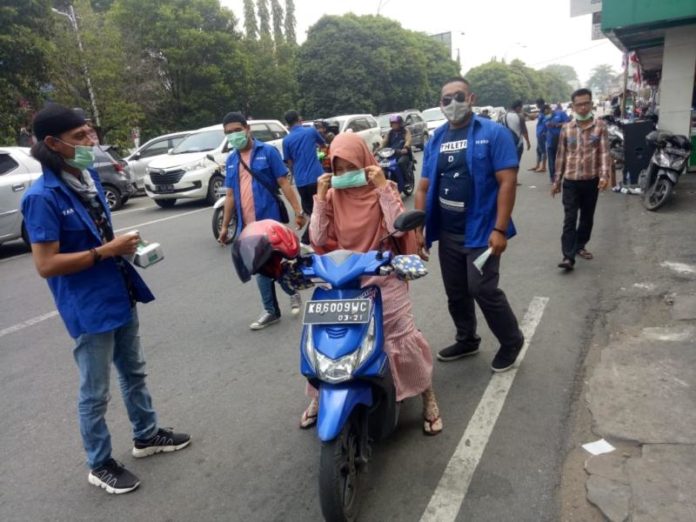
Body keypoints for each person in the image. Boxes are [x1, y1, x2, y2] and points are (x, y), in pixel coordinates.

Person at [20, 103, 190, 495]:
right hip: (87, 305)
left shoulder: (89, 179)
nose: (90, 142)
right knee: (94, 391)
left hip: (118, 290)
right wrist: (106, 252)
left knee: (134, 372)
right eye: (79, 137)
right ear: (52, 143)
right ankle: (99, 463)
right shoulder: (42, 197)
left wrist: (124, 247)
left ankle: (146, 436)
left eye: (90, 133)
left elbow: (101, 237)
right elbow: (46, 264)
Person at [302, 132, 443, 435]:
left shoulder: (385, 188)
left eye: (348, 167)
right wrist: (319, 196)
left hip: (383, 272)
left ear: (364, 163)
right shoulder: (330, 196)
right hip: (343, 275)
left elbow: (398, 226)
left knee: (399, 336)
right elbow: (318, 238)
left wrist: (381, 187)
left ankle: (427, 395)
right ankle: (320, 394)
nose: (342, 175)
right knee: (324, 337)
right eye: (336, 169)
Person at [415, 77, 525, 373]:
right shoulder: (436, 139)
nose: (452, 104)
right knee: (456, 292)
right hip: (448, 232)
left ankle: (511, 340)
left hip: (481, 232)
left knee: (482, 289)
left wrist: (500, 229)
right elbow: (423, 187)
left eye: (458, 96)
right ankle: (467, 339)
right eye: (446, 99)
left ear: (471, 98)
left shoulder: (493, 134)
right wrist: (418, 228)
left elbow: (507, 182)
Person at [218, 111, 307, 330]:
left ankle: (283, 298)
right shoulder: (231, 160)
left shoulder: (267, 152)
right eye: (228, 133)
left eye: (237, 130)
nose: (233, 135)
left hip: (269, 223)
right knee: (259, 268)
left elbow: (284, 183)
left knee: (273, 264)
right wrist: (224, 227)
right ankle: (275, 306)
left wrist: (298, 210)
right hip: (247, 226)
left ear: (247, 129)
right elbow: (229, 196)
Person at [551, 88, 611, 270]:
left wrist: (604, 176)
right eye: (579, 104)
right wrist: (557, 181)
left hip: (590, 181)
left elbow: (604, 153)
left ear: (592, 104)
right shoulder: (566, 129)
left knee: (587, 217)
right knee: (569, 218)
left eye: (587, 103)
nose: (583, 108)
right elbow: (561, 155)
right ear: (573, 106)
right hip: (571, 181)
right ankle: (568, 256)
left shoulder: (600, 126)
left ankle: (580, 245)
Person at [282, 110, 326, 245]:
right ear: (299, 119)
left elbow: (289, 162)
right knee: (320, 209)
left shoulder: (286, 140)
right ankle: (306, 240)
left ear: (287, 124)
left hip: (301, 181)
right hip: (317, 178)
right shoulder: (311, 131)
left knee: (311, 211)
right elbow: (323, 145)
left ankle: (315, 236)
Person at [380, 114, 412, 194]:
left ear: (400, 123)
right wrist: (378, 149)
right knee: (381, 164)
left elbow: (408, 139)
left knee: (401, 163)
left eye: (396, 123)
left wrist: (405, 147)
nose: (394, 125)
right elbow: (384, 142)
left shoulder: (405, 131)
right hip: (391, 154)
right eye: (392, 123)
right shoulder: (390, 133)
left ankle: (407, 182)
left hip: (402, 153)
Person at [546, 103, 571, 183]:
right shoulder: (545, 116)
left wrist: (557, 125)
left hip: (560, 139)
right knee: (551, 160)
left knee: (562, 158)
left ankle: (564, 175)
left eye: (548, 110)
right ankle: (553, 178)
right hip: (550, 140)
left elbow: (568, 123)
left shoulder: (561, 114)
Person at [531, 103, 551, 175]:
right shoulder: (542, 115)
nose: (549, 110)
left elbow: (547, 125)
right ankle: (538, 165)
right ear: (545, 109)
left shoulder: (544, 116)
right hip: (539, 134)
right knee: (539, 150)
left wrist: (545, 132)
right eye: (548, 109)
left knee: (543, 151)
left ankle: (543, 167)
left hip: (541, 134)